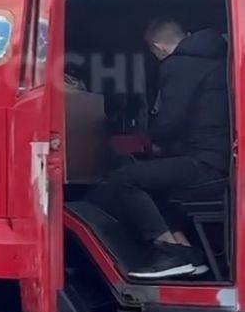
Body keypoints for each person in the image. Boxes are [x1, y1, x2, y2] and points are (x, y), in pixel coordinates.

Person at [96, 18, 230, 279]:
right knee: (158, 183)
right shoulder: (214, 59)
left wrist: (152, 139)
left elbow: (170, 122)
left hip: (204, 163)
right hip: (220, 160)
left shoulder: (178, 64)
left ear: (158, 47)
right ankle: (186, 253)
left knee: (124, 179)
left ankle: (168, 251)